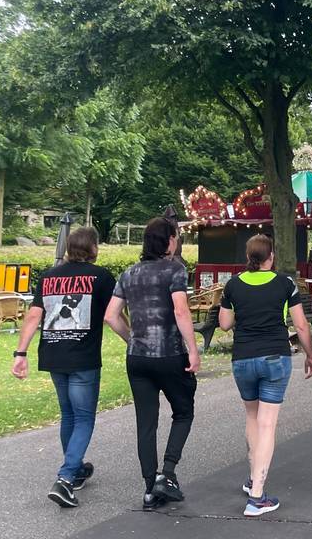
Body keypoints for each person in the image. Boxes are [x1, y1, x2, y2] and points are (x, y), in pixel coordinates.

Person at [11, 227, 122, 508]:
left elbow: (34, 314)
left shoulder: (48, 277)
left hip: (53, 354)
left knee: (68, 415)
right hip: (83, 357)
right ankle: (65, 478)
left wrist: (20, 352)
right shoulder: (101, 277)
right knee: (83, 417)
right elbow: (114, 314)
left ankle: (76, 471)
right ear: (93, 247)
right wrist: (133, 339)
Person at [105, 217, 200, 511]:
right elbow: (181, 310)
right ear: (170, 240)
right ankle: (168, 473)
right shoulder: (175, 269)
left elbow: (111, 316)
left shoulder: (129, 273)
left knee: (146, 423)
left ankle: (150, 488)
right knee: (183, 411)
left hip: (138, 358)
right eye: (177, 237)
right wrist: (193, 350)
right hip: (170, 354)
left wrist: (132, 338)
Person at [219, 234, 312, 517]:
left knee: (252, 417)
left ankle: (253, 480)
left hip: (243, 359)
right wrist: (310, 356)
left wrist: (243, 310)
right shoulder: (285, 284)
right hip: (275, 357)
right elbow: (300, 324)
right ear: (270, 257)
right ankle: (257, 497)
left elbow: (225, 323)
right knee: (267, 424)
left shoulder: (233, 284)